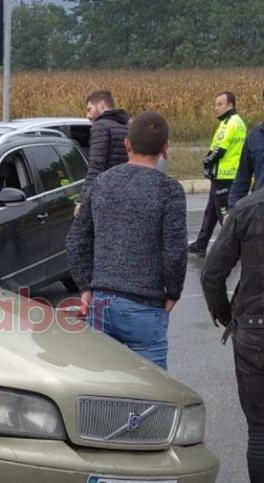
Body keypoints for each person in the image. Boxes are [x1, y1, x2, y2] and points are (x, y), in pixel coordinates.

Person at [66, 112, 186, 370]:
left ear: (127, 144)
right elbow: (175, 252)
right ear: (165, 148)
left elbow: (76, 239)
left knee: (101, 383)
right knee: (150, 385)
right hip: (146, 305)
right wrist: (173, 292)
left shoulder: (101, 183)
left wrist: (86, 287)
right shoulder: (170, 191)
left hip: (101, 302)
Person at [200, 187, 264, 483]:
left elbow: (211, 275)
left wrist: (227, 315)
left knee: (260, 430)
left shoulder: (247, 209)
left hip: (255, 328)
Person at [189, 91, 247, 257]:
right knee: (211, 212)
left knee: (224, 216)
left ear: (230, 105)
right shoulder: (238, 122)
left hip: (223, 175)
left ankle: (239, 249)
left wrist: (206, 162)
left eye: (220, 104)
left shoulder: (229, 123)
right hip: (230, 174)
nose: (216, 108)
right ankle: (201, 244)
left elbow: (219, 150)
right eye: (215, 104)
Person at [79, 90, 130, 201]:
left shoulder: (100, 126)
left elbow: (96, 166)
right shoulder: (126, 126)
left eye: (89, 109)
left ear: (101, 105)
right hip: (126, 191)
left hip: (107, 194)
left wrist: (83, 200)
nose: (87, 116)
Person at [228, 89, 264, 208]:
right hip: (260, 211)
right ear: (262, 106)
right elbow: (241, 180)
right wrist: (232, 210)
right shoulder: (254, 137)